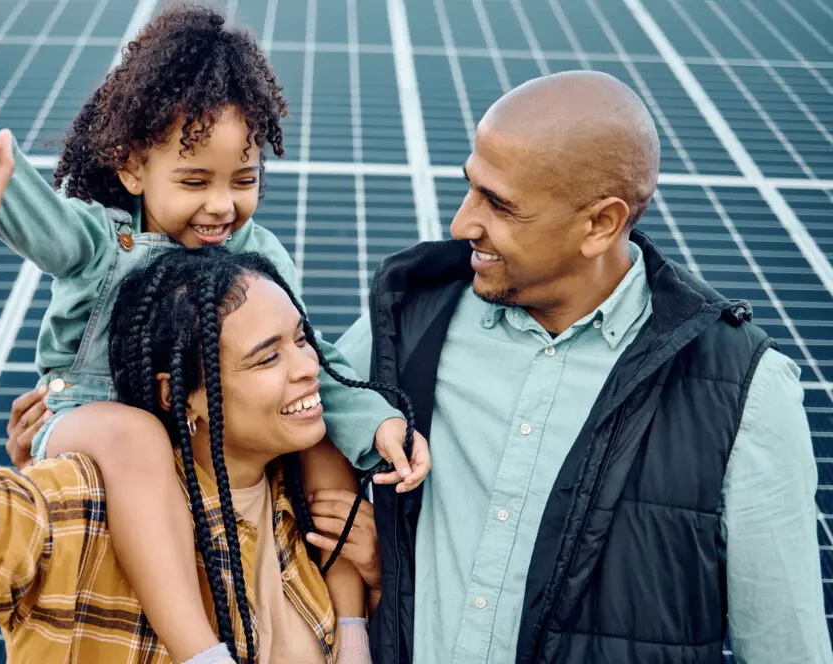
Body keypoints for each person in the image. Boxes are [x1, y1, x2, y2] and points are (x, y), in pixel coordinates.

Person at [0, 5, 429, 663]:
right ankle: (198, 647)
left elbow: (313, 358)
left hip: (207, 434)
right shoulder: (105, 243)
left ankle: (347, 627)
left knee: (319, 429)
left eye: (243, 180)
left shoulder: (254, 251)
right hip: (90, 418)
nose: (221, 206)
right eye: (194, 181)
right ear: (131, 170)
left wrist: (379, 425)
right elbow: (47, 227)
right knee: (137, 438)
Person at [335, 70, 833, 663]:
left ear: (600, 224)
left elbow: (785, 649)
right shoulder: (415, 314)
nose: (462, 223)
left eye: (499, 205)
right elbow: (282, 412)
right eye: (471, 187)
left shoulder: (744, 391)